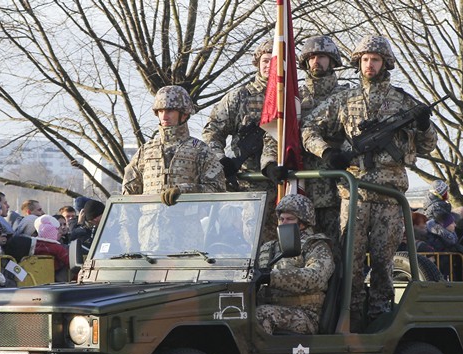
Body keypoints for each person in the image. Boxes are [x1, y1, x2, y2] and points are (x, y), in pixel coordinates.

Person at [301, 34, 438, 327]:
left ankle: (379, 322)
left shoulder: (403, 101)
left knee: (383, 265)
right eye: (364, 60)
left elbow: (427, 146)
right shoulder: (345, 99)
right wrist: (327, 152)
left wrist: (424, 125)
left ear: (385, 63)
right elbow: (308, 127)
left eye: (375, 60)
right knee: (349, 264)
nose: (369, 65)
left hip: (389, 196)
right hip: (355, 194)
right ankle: (350, 320)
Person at [261, 36, 348, 250]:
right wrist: (270, 164)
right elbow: (276, 134)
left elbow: (353, 135)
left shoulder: (346, 96)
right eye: (311, 57)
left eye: (322, 56)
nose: (316, 61)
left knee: (336, 250)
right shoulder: (293, 97)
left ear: (333, 61)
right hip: (298, 189)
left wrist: (342, 155)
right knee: (294, 250)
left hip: (334, 189)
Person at [202, 41, 278, 242]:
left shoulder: (291, 98)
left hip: (282, 180)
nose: (268, 65)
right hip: (248, 183)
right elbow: (212, 131)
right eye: (264, 61)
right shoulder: (240, 97)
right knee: (250, 240)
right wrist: (221, 159)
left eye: (273, 61)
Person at [122, 85, 225, 203]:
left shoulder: (200, 150)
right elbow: (129, 194)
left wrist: (184, 190)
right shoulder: (145, 151)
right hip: (148, 221)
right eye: (160, 111)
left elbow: (217, 189)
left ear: (184, 114)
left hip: (186, 220)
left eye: (170, 111)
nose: (164, 116)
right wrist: (127, 222)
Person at [255, 194, 334, 335]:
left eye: (290, 219)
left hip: (304, 316)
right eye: (281, 219)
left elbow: (316, 278)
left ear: (303, 223)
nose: (284, 223)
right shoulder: (269, 247)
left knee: (260, 315)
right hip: (270, 307)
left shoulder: (316, 246)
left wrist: (271, 277)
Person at [33, 214, 69, 282]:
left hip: (35, 276)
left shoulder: (34, 244)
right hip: (54, 275)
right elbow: (68, 261)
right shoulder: (57, 247)